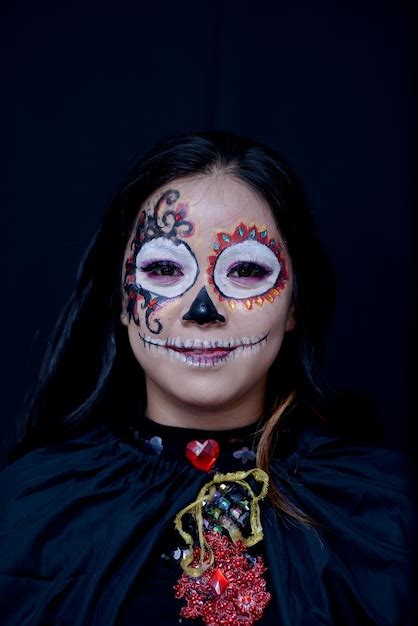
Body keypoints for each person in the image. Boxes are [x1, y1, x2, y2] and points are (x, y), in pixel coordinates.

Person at [0, 131, 416, 626]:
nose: (203, 310)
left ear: (294, 305)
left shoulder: (383, 511)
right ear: (121, 299)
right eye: (161, 267)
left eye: (244, 270)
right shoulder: (29, 506)